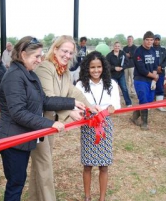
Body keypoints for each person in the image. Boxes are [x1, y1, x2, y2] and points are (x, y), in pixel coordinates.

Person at [0, 36, 86, 201]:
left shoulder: (28, 74)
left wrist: (72, 102)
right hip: (12, 139)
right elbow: (18, 113)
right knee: (15, 185)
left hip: (22, 138)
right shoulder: (14, 77)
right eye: (36, 56)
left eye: (40, 55)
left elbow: (45, 101)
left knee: (18, 182)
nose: (39, 59)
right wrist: (50, 123)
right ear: (23, 55)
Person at [28, 35, 92, 201]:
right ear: (55, 49)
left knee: (40, 166)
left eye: (71, 52)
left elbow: (72, 92)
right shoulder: (45, 68)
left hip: (50, 124)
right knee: (45, 166)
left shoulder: (64, 72)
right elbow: (48, 99)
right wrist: (69, 111)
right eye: (64, 51)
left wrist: (90, 106)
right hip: (38, 123)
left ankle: (35, 198)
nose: (67, 55)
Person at [76, 51, 121, 201]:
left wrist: (109, 109)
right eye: (92, 67)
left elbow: (116, 106)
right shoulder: (81, 84)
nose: (96, 70)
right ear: (86, 68)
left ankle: (102, 198)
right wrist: (88, 110)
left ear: (104, 67)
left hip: (105, 127)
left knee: (104, 165)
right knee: (87, 165)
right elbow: (77, 107)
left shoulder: (112, 84)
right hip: (88, 126)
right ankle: (87, 197)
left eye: (99, 67)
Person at [131, 31, 159, 130]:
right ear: (144, 40)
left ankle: (135, 114)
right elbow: (142, 69)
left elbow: (156, 65)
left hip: (150, 80)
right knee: (144, 100)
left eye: (151, 40)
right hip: (140, 79)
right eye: (147, 40)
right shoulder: (138, 51)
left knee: (150, 101)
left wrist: (154, 78)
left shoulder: (153, 51)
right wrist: (154, 76)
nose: (149, 42)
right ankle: (144, 123)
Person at [106, 41, 132, 107]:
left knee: (124, 88)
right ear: (113, 47)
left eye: (118, 46)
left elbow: (127, 62)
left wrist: (122, 67)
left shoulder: (123, 53)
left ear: (120, 47)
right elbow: (107, 66)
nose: (117, 47)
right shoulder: (109, 55)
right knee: (112, 90)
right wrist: (114, 68)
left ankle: (128, 103)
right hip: (112, 75)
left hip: (121, 74)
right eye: (116, 46)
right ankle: (111, 104)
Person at [153, 34, 166, 112]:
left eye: (158, 39)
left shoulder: (163, 50)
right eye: (155, 39)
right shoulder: (149, 49)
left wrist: (161, 67)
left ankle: (159, 105)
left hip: (161, 72)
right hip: (151, 72)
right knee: (151, 87)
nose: (156, 41)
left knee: (160, 88)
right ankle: (149, 104)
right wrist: (155, 68)